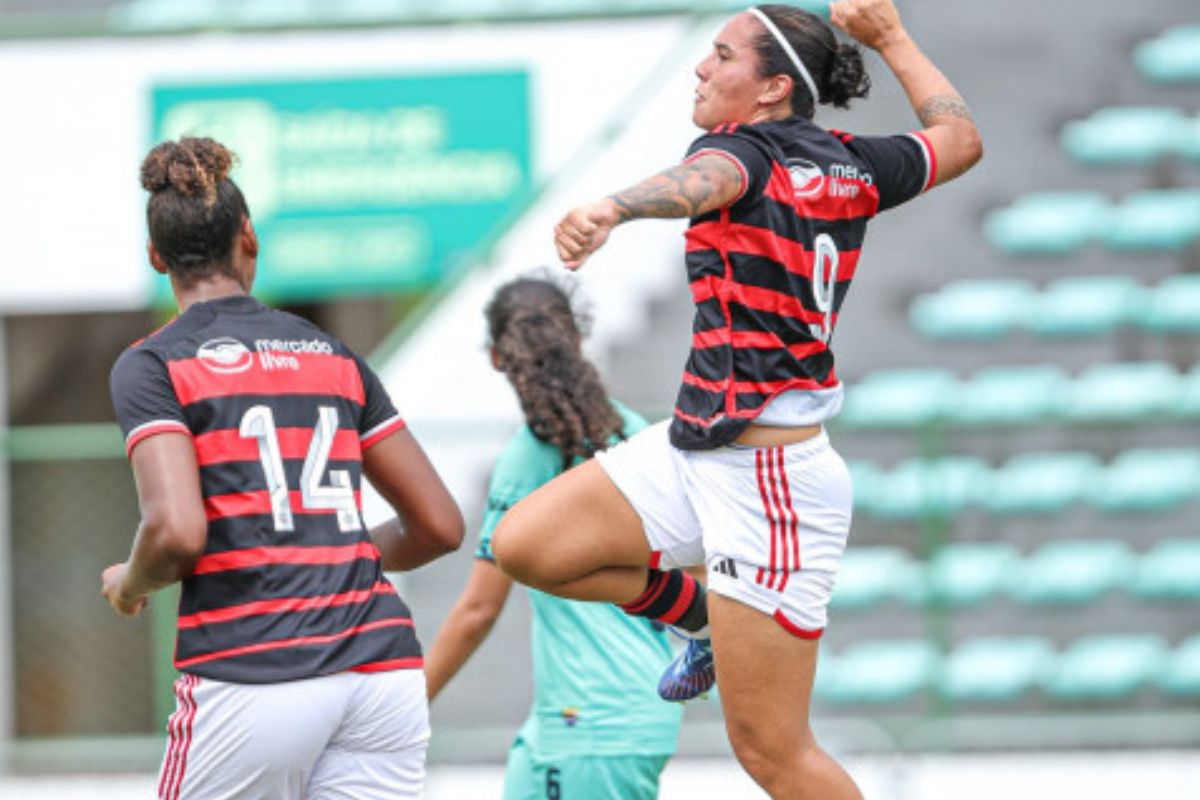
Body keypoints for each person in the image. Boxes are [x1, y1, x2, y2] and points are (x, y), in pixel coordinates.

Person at [491, 1, 983, 798]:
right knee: (528, 545)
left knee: (773, 755)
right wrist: (891, 39)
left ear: (771, 89)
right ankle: (700, 618)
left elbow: (707, 182)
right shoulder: (852, 163)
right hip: (697, 450)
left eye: (721, 55)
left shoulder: (739, 155)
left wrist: (614, 207)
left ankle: (709, 622)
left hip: (771, 487)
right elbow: (960, 139)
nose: (701, 67)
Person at [101, 136, 465, 800]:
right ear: (250, 238)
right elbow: (439, 526)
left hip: (255, 670)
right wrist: (326, 558)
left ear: (156, 257)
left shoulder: (154, 365)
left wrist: (129, 583)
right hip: (382, 673)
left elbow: (177, 532)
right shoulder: (332, 354)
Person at [424, 275, 683, 799]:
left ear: (499, 357)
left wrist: (400, 714)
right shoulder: (636, 434)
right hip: (624, 708)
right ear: (579, 342)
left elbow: (478, 611)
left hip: (590, 721)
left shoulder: (526, 458)